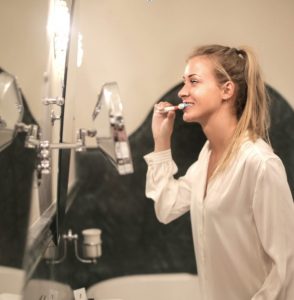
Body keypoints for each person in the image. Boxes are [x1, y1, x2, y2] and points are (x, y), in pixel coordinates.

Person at [144, 44, 294, 300]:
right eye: (184, 82)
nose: (182, 92)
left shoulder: (259, 164)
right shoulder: (207, 156)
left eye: (194, 81)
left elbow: (286, 270)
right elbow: (166, 208)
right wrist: (161, 140)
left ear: (227, 90)